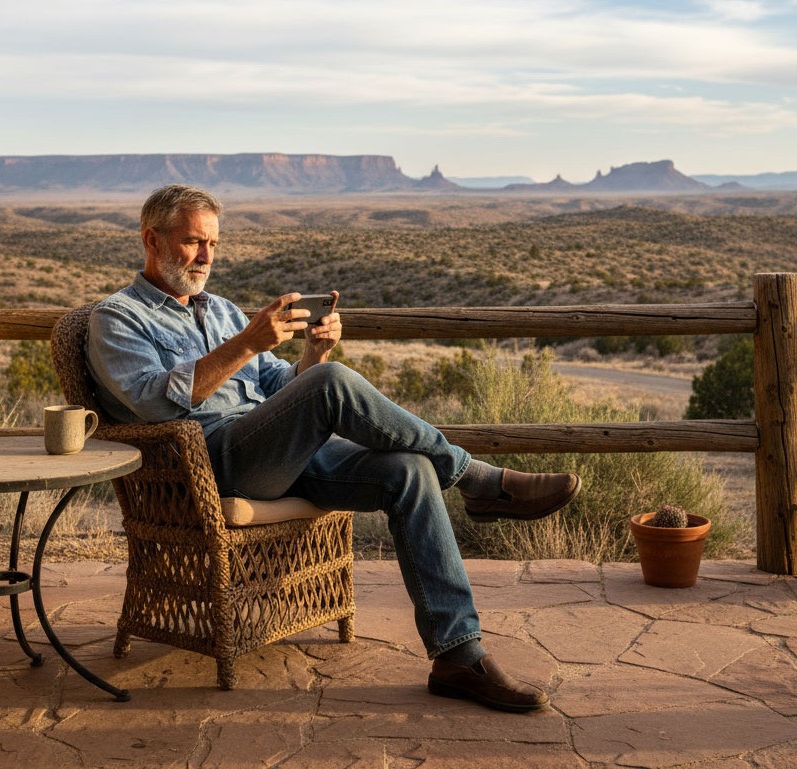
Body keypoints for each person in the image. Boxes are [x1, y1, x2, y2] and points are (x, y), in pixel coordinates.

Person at [85, 184, 581, 713]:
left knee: (409, 469)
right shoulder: (117, 318)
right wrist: (250, 344)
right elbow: (152, 403)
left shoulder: (223, 311)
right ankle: (477, 480)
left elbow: (282, 386)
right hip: (212, 464)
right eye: (193, 242)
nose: (206, 256)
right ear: (151, 240)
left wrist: (314, 354)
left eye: (213, 244)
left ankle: (458, 654)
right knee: (332, 384)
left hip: (279, 451)